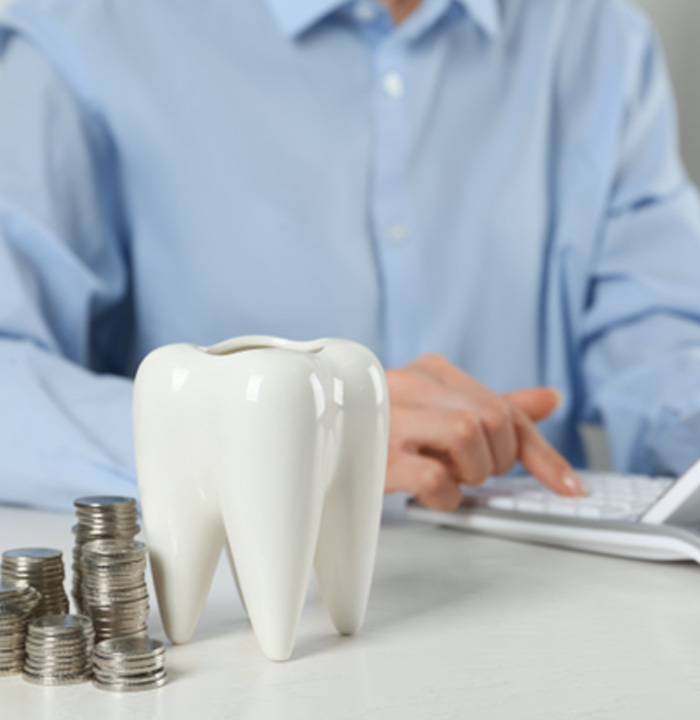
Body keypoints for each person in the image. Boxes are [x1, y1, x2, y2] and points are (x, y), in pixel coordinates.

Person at [0, 0, 699, 513]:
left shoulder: (599, 39)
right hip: (241, 640)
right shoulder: (82, 30)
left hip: (562, 625)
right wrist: (265, 434)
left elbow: (666, 348)